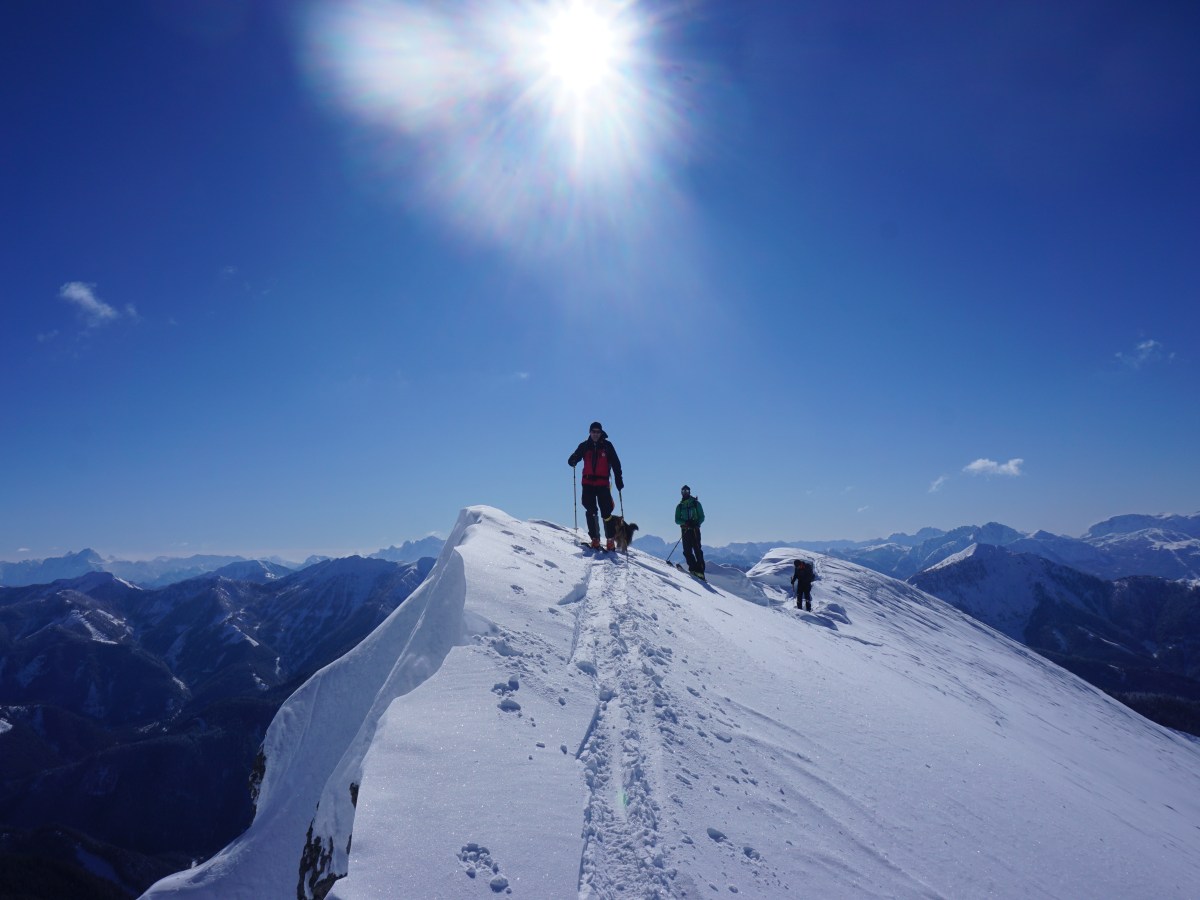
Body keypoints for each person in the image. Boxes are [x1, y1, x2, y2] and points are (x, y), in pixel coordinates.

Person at [568, 422, 624, 551]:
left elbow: (616, 463)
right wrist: (573, 460)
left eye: (598, 432)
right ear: (590, 432)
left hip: (603, 484)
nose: (595, 434)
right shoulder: (584, 446)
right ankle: (595, 539)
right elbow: (574, 458)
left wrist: (618, 480)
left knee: (606, 512)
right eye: (593, 431)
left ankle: (610, 540)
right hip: (587, 484)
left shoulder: (607, 446)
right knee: (591, 510)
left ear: (601, 433)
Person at [675, 485, 706, 579]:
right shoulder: (680, 506)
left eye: (687, 491)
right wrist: (685, 522)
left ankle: (700, 571)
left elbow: (702, 517)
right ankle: (693, 569)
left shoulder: (696, 503)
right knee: (687, 550)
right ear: (681, 492)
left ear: (689, 492)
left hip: (695, 530)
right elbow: (677, 520)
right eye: (683, 491)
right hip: (685, 530)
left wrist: (696, 523)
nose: (685, 493)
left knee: (697, 550)